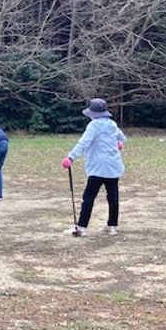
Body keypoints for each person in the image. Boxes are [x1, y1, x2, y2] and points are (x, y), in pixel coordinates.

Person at [61, 98, 126, 237]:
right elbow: (122, 137)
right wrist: (118, 143)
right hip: (113, 166)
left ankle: (81, 227)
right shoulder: (112, 124)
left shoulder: (94, 125)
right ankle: (112, 225)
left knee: (89, 196)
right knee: (113, 196)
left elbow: (83, 143)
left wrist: (71, 157)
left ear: (93, 114)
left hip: (98, 167)